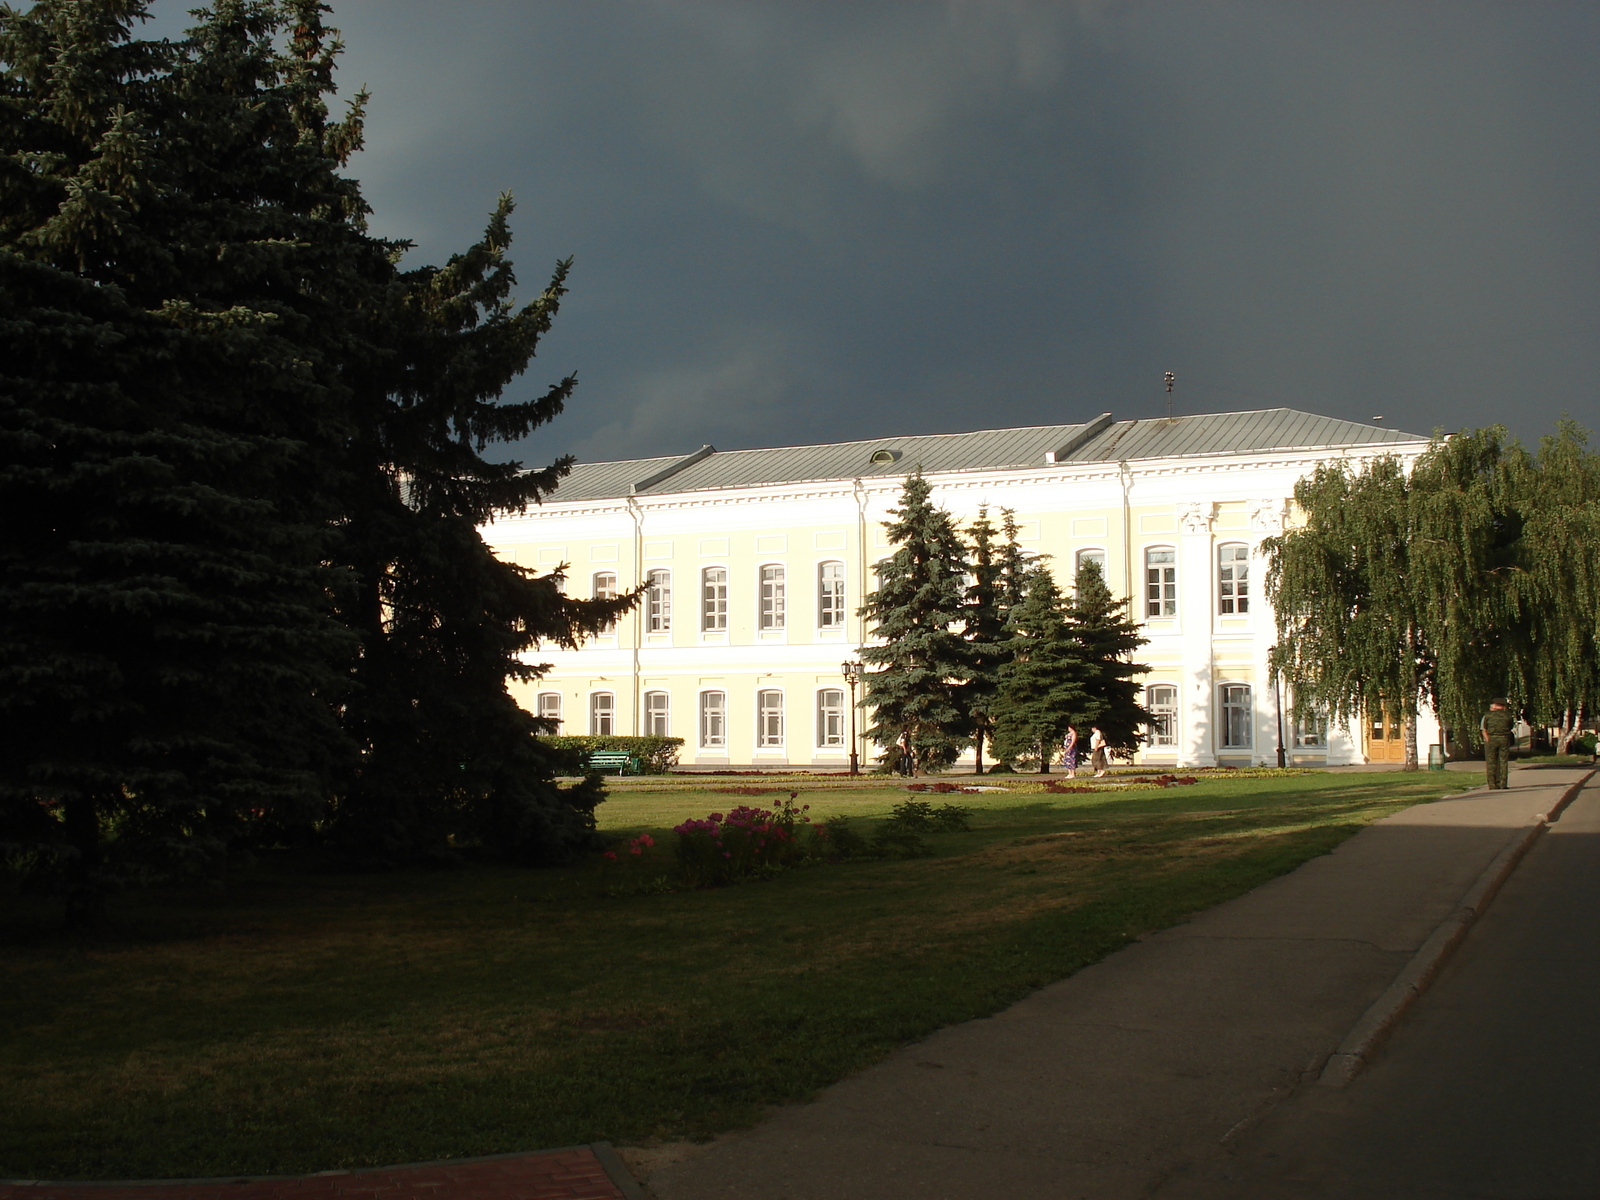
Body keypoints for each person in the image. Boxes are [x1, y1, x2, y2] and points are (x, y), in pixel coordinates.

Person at [1480, 698, 1514, 790]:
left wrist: (1487, 739)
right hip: (1504, 738)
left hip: (1491, 738)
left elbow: (1483, 729)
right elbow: (1511, 726)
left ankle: (1492, 784)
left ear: (1495, 705)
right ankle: (1503, 783)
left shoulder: (1487, 715)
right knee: (1503, 762)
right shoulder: (1508, 716)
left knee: (1491, 762)